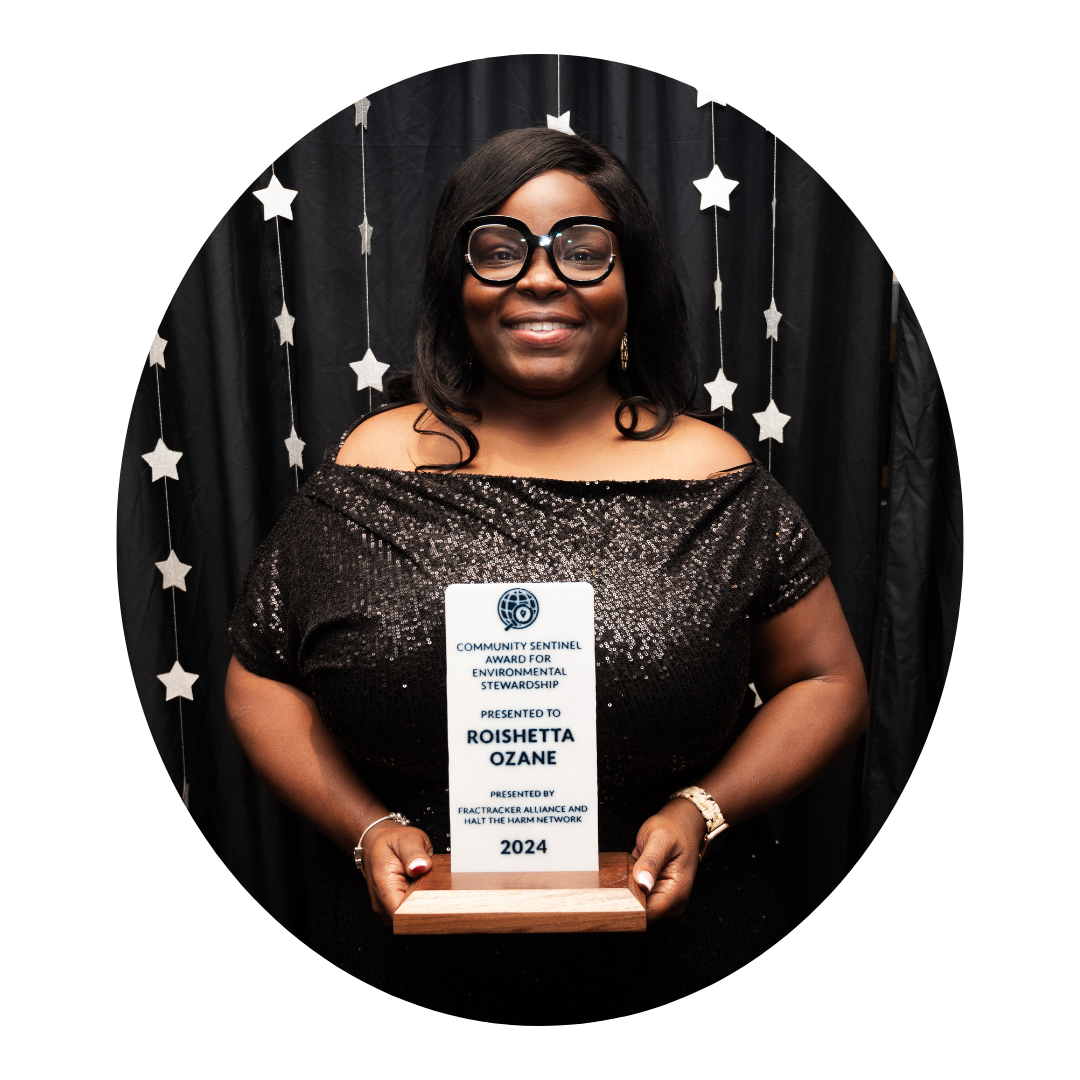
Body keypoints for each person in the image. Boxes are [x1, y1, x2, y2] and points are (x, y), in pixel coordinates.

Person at [225, 127, 868, 1017]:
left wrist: (702, 810)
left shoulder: (714, 476)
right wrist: (365, 827)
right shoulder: (369, 465)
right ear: (456, 284)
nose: (540, 278)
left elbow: (828, 681)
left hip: (677, 949)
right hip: (403, 951)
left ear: (629, 279)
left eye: (583, 249)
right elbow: (259, 677)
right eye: (499, 250)